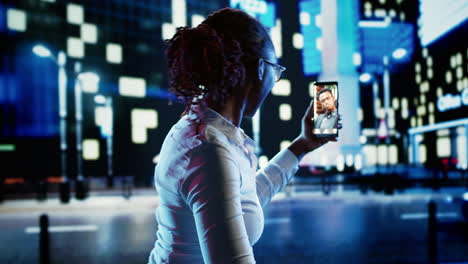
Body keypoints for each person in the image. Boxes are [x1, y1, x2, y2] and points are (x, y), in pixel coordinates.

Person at [147, 8, 337, 264]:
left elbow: (238, 202)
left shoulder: (207, 130)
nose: (275, 81)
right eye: (276, 70)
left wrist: (302, 145)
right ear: (260, 69)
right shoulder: (209, 150)